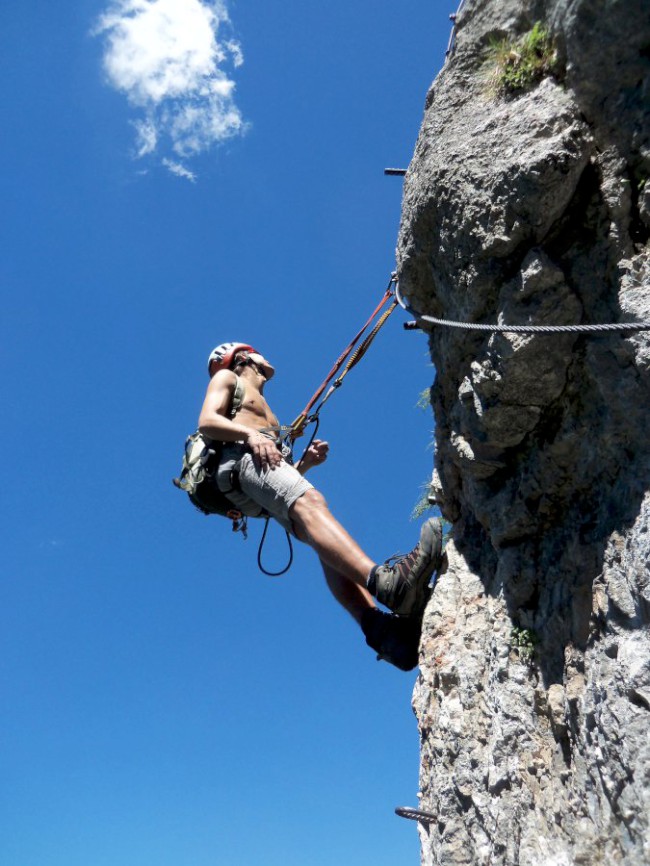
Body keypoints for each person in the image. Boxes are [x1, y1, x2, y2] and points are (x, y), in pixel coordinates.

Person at [197, 342, 443, 671]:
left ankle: (382, 632)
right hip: (241, 461)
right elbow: (207, 421)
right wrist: (251, 437)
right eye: (258, 352)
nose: (265, 356)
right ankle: (388, 585)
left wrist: (305, 465)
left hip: (249, 479)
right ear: (243, 358)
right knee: (312, 503)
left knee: (320, 540)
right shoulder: (228, 377)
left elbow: (280, 486)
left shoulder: (266, 408)